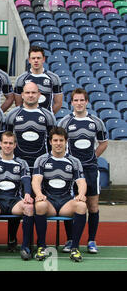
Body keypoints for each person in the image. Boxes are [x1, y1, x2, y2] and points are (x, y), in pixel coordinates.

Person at [5, 82, 56, 251]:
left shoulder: (47, 116)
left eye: (34, 92)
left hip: (40, 167)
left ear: (39, 94)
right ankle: (12, 238)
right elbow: (7, 140)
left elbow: (52, 143)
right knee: (16, 201)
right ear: (23, 94)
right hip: (18, 167)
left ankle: (34, 241)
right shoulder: (13, 115)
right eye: (27, 92)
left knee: (38, 203)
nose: (31, 95)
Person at [58, 88, 108, 254]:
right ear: (71, 102)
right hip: (70, 171)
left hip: (91, 169)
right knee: (70, 205)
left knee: (92, 206)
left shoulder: (96, 122)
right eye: (76, 100)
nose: (79, 103)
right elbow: (59, 143)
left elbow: (103, 143)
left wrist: (93, 157)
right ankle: (70, 239)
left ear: (87, 102)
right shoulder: (65, 122)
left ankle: (92, 240)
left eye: (82, 100)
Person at [32, 126, 87, 262]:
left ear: (66, 141)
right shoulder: (41, 160)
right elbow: (36, 180)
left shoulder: (74, 161)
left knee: (81, 206)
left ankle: (74, 248)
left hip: (66, 202)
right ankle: (42, 246)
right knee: (39, 205)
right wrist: (38, 194)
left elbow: (81, 182)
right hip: (49, 201)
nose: (58, 143)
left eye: (61, 140)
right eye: (55, 140)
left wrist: (81, 194)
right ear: (50, 142)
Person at [0, 131, 34, 261]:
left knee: (29, 207)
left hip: (14, 201)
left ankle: (25, 247)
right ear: (0, 144)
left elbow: (26, 181)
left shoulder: (22, 163)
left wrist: (27, 194)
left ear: (15, 145)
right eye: (5, 143)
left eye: (11, 143)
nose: (8, 146)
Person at [14, 45, 62, 114]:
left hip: (46, 121)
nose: (36, 60)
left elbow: (58, 103)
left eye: (38, 58)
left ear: (43, 59)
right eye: (33, 58)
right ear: (29, 60)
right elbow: (18, 103)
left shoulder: (54, 78)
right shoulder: (21, 79)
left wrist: (47, 116)